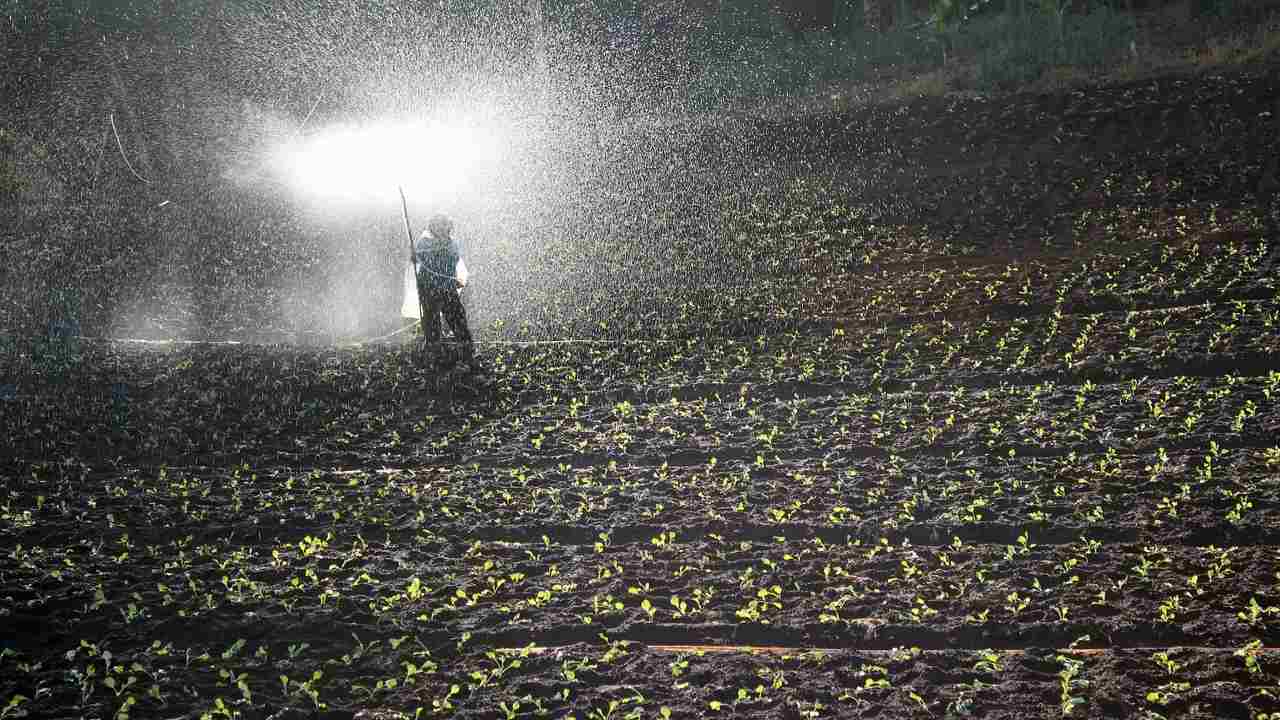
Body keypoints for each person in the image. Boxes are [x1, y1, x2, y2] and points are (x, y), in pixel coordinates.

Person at [414, 213, 474, 363]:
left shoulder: (452, 243)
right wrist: (415, 256)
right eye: (438, 225)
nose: (442, 228)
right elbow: (423, 258)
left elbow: (453, 260)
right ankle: (434, 352)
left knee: (458, 318)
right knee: (431, 321)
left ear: (449, 226)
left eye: (444, 225)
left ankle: (467, 351)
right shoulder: (424, 242)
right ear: (432, 227)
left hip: (448, 288)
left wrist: (455, 279)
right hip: (429, 288)